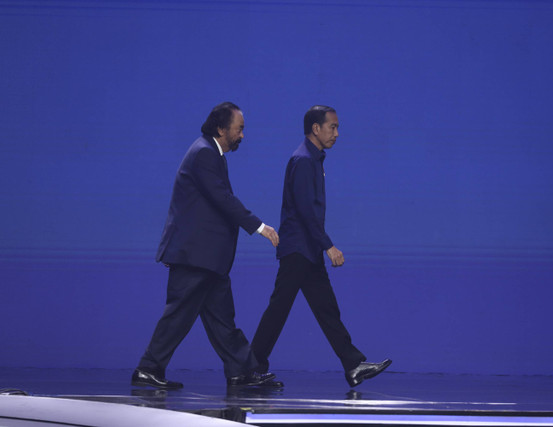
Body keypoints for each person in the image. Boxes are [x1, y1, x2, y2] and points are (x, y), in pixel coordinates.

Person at [132, 102, 283, 390]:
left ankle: (241, 372)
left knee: (222, 319)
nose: (242, 136)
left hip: (206, 258)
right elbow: (223, 200)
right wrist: (260, 227)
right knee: (178, 316)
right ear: (221, 128)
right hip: (194, 256)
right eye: (239, 130)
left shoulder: (212, 153)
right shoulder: (204, 153)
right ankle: (148, 368)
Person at [251, 105, 391, 387]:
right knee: (279, 310)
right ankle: (250, 369)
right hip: (298, 249)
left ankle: (352, 365)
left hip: (306, 249)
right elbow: (304, 211)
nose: (337, 133)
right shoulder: (303, 160)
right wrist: (328, 246)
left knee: (326, 308)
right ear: (316, 128)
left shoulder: (313, 159)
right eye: (333, 127)